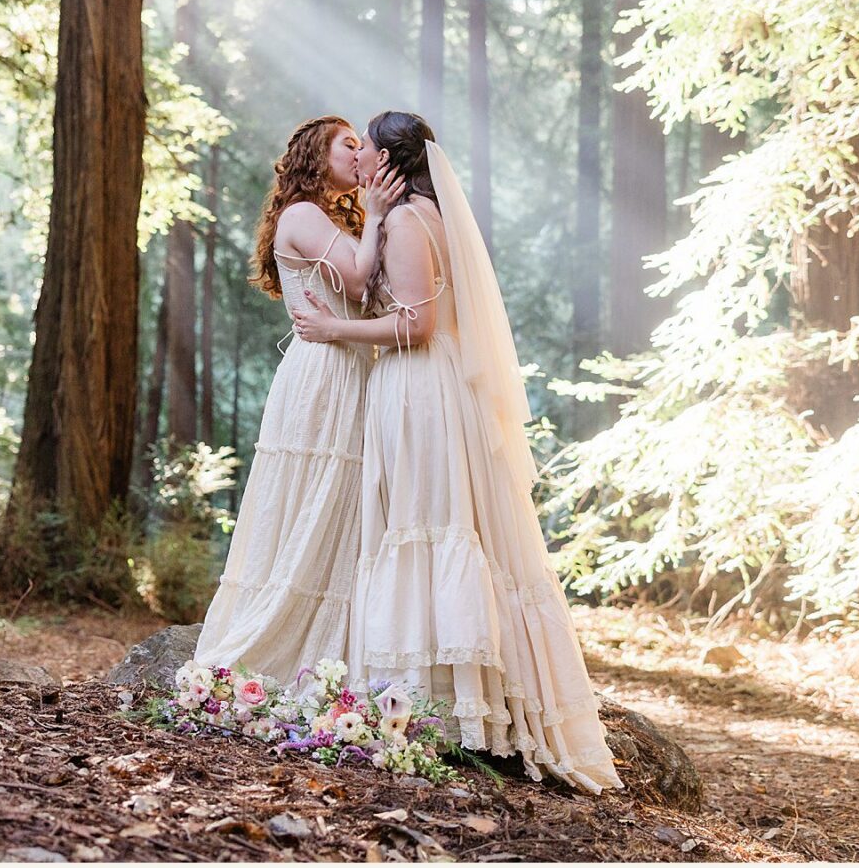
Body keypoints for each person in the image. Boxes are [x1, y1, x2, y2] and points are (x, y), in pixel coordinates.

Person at [292, 110, 623, 795]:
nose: (358, 156)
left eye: (366, 147)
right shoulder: (410, 215)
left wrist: (333, 328)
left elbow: (416, 323)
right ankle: (432, 696)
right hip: (413, 384)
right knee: (428, 527)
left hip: (418, 386)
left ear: (389, 160)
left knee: (429, 527)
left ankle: (443, 709)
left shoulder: (411, 223)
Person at [193, 115, 403, 684]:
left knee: (343, 499)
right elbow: (356, 282)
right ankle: (284, 649)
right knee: (317, 492)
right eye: (348, 145)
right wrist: (377, 213)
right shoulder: (304, 214)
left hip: (352, 365)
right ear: (316, 155)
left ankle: (335, 653)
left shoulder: (334, 217)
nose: (359, 154)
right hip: (324, 372)